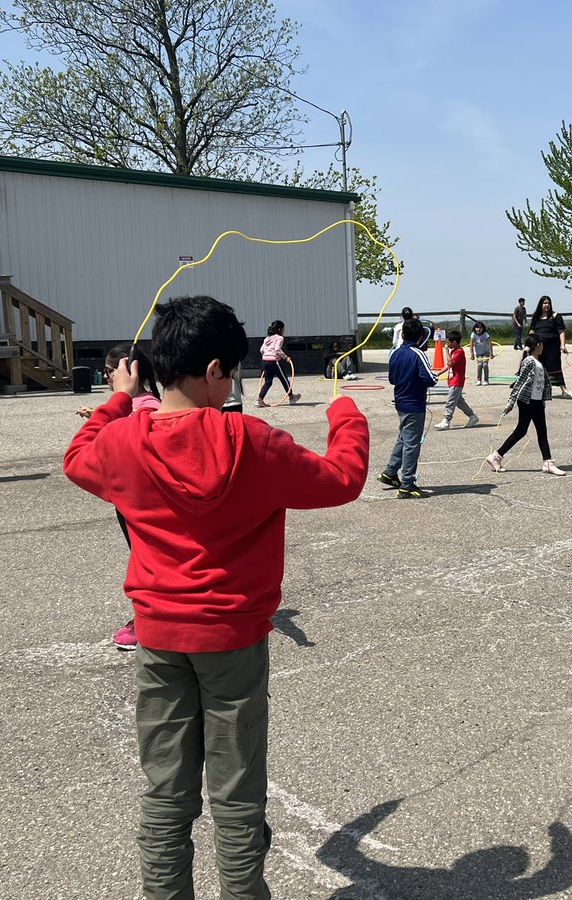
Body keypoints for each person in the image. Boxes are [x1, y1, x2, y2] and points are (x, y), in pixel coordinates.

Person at [63, 295, 369, 900]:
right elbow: (343, 479)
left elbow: (76, 459)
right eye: (231, 372)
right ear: (212, 371)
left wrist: (119, 399)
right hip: (232, 639)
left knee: (166, 794)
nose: (232, 382)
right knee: (236, 797)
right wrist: (345, 414)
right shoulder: (251, 440)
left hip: (158, 637)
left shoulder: (123, 440)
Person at [77, 343, 162, 651]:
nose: (106, 377)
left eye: (110, 371)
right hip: (129, 500)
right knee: (143, 559)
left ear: (130, 371)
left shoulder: (148, 408)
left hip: (142, 501)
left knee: (148, 562)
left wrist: (109, 418)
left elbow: (81, 460)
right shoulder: (135, 405)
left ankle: (149, 621)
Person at [486, 334, 565, 476]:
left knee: (541, 431)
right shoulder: (529, 361)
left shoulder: (538, 361)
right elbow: (520, 382)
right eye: (542, 344)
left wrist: (542, 401)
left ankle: (548, 462)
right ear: (538, 345)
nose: (543, 347)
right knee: (521, 431)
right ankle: (496, 456)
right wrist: (510, 403)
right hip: (526, 401)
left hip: (537, 402)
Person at [379, 317, 438, 498]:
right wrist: (432, 376)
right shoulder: (417, 354)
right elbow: (430, 379)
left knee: (403, 438)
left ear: (403, 334)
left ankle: (390, 472)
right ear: (421, 336)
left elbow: (392, 379)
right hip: (414, 404)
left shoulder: (396, 353)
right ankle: (407, 484)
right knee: (412, 444)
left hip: (400, 402)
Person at [528, 295, 572, 398]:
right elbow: (531, 331)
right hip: (539, 348)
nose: (547, 305)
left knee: (555, 366)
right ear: (541, 304)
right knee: (539, 368)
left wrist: (563, 345)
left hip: (552, 347)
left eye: (548, 303)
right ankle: (538, 391)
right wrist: (529, 344)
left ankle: (564, 390)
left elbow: (561, 332)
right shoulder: (536, 317)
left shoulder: (556, 316)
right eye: (544, 303)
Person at [434, 330, 480, 430]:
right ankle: (472, 417)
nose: (447, 344)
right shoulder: (454, 351)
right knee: (459, 402)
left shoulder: (459, 352)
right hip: (452, 380)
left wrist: (446, 351)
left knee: (450, 401)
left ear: (454, 342)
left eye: (448, 342)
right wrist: (437, 374)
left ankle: (446, 420)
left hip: (457, 381)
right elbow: (448, 366)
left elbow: (450, 363)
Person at [256, 319, 300, 407]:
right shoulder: (279, 338)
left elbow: (261, 350)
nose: (284, 331)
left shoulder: (267, 338)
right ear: (280, 329)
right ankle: (291, 397)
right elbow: (277, 349)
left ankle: (259, 400)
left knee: (268, 381)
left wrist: (267, 355)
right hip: (273, 361)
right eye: (283, 329)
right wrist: (286, 357)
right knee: (284, 379)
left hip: (265, 361)